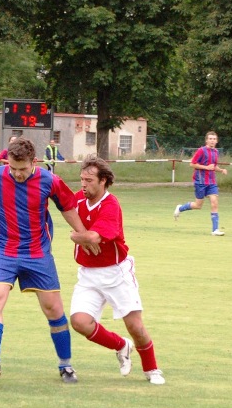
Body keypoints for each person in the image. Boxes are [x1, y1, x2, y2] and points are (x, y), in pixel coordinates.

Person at [0, 137, 95, 384]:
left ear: (34, 162)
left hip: (37, 253)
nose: (18, 174)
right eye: (13, 168)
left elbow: (67, 207)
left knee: (54, 309)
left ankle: (65, 365)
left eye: (23, 169)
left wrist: (84, 235)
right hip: (2, 250)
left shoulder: (49, 180)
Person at [69, 155, 165, 385]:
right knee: (80, 322)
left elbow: (92, 236)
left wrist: (76, 236)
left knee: (135, 326)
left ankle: (152, 369)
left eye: (89, 180)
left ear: (103, 181)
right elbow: (56, 204)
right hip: (88, 274)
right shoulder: (78, 199)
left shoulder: (111, 204)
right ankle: (121, 346)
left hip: (116, 273)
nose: (83, 184)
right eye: (82, 179)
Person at [173, 131, 228, 236]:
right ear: (206, 140)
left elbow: (213, 166)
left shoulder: (216, 152)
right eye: (210, 139)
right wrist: (206, 167)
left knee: (214, 202)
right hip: (200, 182)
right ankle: (180, 208)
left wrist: (221, 170)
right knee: (198, 205)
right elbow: (192, 164)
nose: (212, 140)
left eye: (214, 139)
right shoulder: (201, 151)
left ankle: (215, 230)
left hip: (212, 182)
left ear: (216, 141)